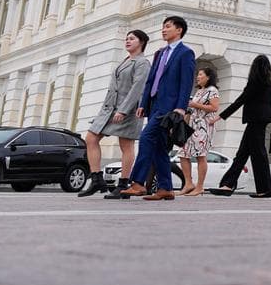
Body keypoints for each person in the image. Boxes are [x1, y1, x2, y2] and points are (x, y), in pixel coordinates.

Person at [115, 16, 196, 201]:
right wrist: (143, 103)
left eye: (168, 27)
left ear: (179, 30)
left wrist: (181, 108)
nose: (164, 30)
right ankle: (165, 188)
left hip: (169, 108)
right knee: (159, 147)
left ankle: (137, 183)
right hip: (154, 105)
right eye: (163, 27)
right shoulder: (159, 53)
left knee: (146, 138)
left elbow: (186, 82)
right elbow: (151, 80)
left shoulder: (186, 53)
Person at [82, 29, 151, 198]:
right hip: (109, 109)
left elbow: (138, 88)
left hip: (127, 110)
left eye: (132, 39)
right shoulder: (126, 60)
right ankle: (97, 179)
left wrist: (123, 110)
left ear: (141, 42)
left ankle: (123, 184)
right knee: (91, 138)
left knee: (126, 145)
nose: (127, 41)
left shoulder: (142, 63)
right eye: (126, 39)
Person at [208, 53, 271, 198]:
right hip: (260, 121)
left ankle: (265, 190)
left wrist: (219, 117)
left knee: (259, 156)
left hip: (255, 121)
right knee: (243, 154)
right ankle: (228, 184)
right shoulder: (268, 83)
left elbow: (240, 101)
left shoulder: (254, 82)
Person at [178, 66, 220, 196]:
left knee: (200, 155)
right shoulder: (198, 91)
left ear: (208, 77)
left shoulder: (212, 91)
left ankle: (200, 186)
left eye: (201, 74)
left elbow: (214, 107)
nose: (198, 77)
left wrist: (195, 105)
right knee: (183, 153)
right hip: (191, 125)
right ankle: (188, 183)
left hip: (204, 125)